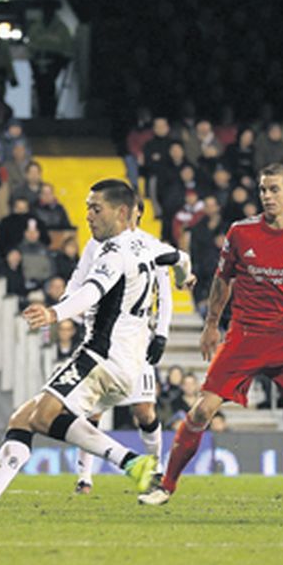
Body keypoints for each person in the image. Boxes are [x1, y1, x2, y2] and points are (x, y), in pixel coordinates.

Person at [0, 180, 160, 516]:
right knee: (22, 419)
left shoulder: (115, 252)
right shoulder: (142, 246)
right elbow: (176, 257)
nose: (88, 215)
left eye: (95, 208)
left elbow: (91, 291)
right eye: (87, 206)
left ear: (120, 212)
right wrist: (185, 271)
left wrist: (53, 313)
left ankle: (130, 462)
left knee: (44, 417)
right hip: (123, 361)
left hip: (103, 356)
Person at [139, 164, 283, 506]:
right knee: (199, 412)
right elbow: (222, 280)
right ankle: (166, 486)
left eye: (274, 189)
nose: (267, 196)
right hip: (245, 337)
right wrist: (211, 325)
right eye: (263, 190)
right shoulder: (241, 232)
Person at [70, 197, 196, 494]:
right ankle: (84, 478)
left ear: (136, 213)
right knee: (91, 412)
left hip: (136, 340)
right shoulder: (95, 245)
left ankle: (157, 471)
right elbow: (78, 282)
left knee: (144, 411)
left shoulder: (151, 245)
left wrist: (162, 334)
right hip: (102, 338)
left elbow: (164, 292)